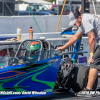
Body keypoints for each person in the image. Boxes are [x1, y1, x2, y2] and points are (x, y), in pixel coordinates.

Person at [58, 10, 100, 97]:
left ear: (79, 17)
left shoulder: (85, 20)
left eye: (75, 22)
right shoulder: (83, 20)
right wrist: (64, 47)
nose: (74, 24)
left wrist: (91, 55)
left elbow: (91, 37)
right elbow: (76, 36)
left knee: (94, 62)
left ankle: (88, 90)